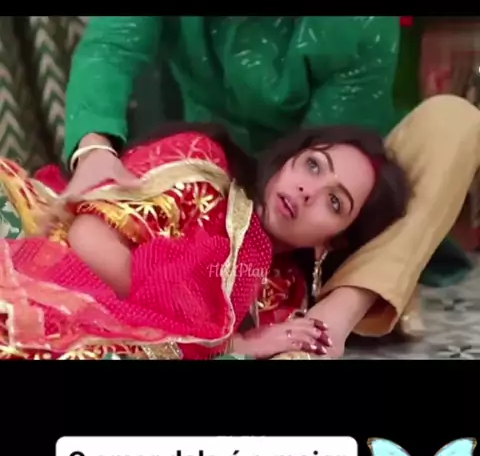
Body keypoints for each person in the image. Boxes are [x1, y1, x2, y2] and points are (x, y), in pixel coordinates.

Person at [0, 121, 409, 361]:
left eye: (334, 202)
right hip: (35, 249)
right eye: (313, 166)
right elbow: (88, 236)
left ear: (331, 244)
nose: (308, 191)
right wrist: (224, 341)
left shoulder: (284, 297)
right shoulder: (204, 165)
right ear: (288, 160)